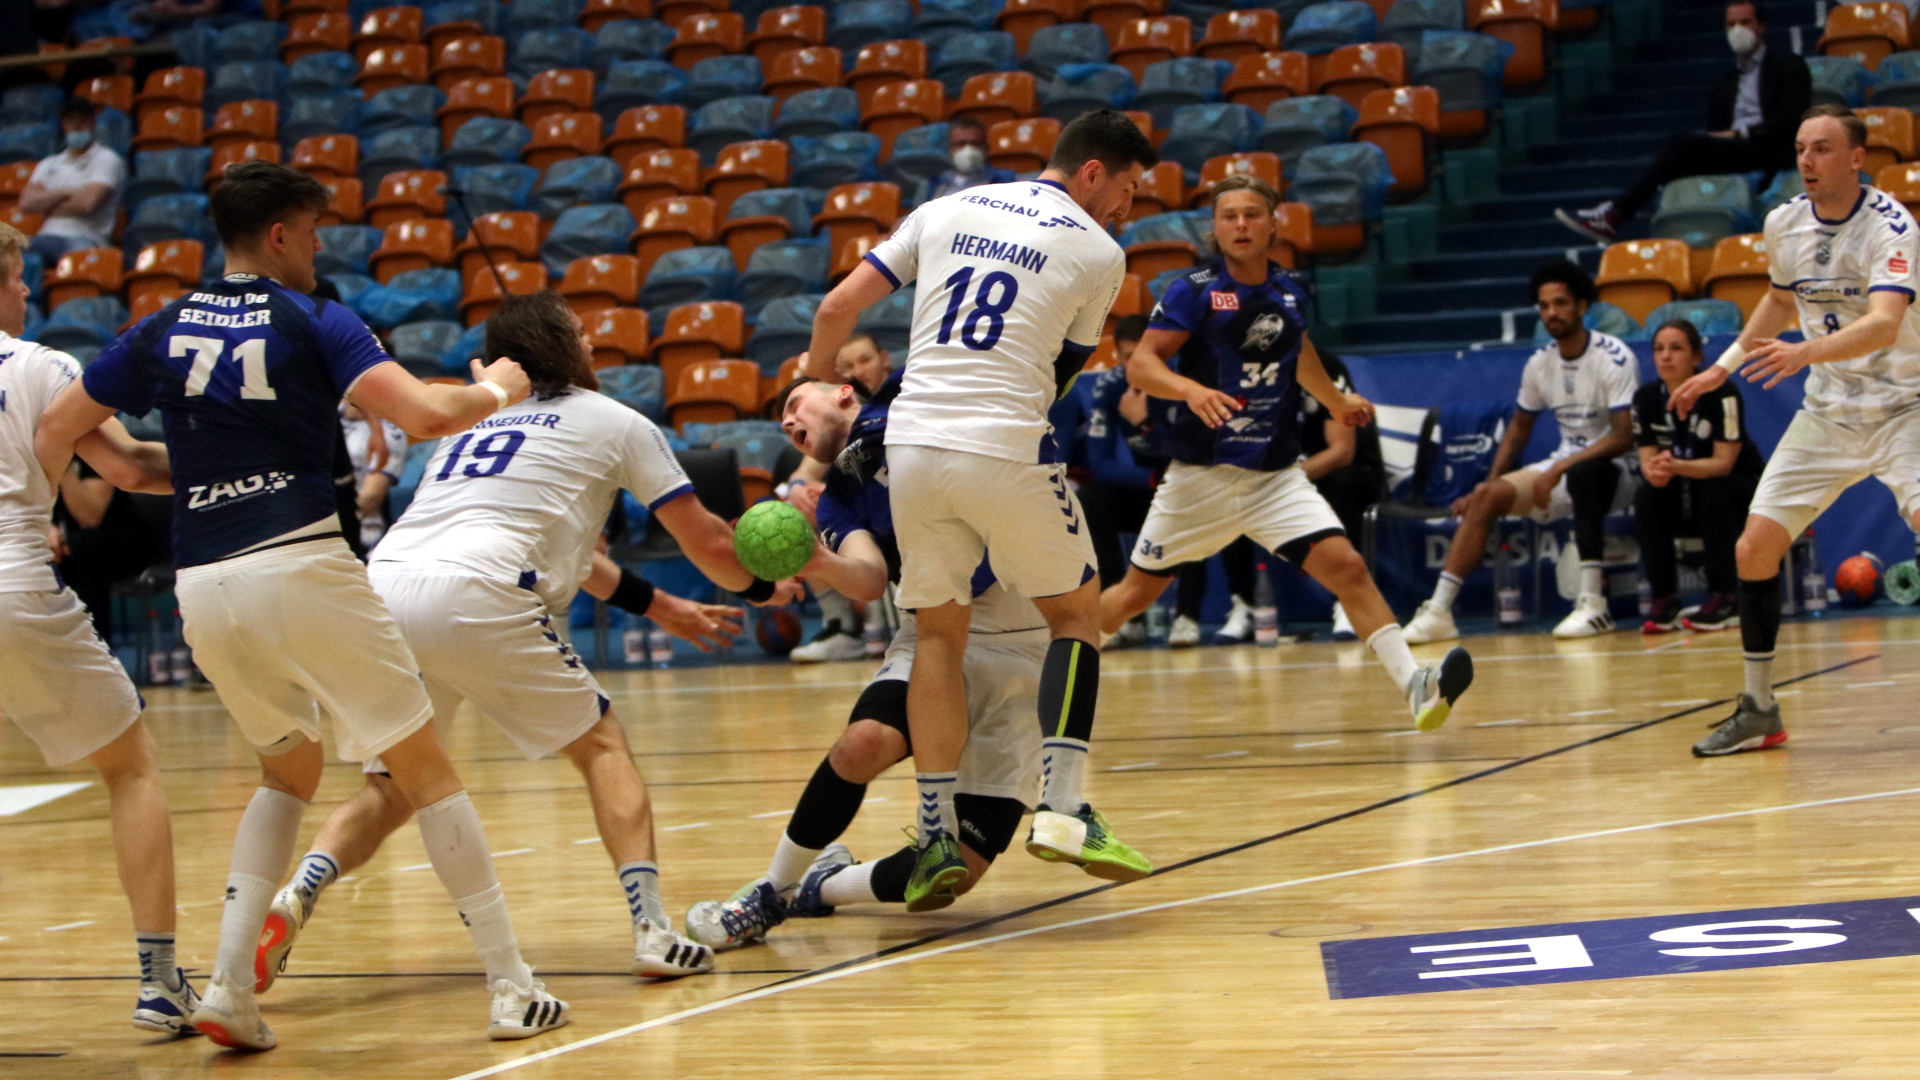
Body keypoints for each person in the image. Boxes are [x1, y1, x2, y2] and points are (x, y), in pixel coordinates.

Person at [34, 161, 567, 1051]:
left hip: (203, 586)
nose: (320, 247)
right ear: (279, 236)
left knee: (287, 771)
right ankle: (512, 987)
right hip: (302, 563)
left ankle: (228, 989)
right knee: (423, 769)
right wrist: (503, 388)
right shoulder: (314, 317)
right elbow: (430, 414)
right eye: (313, 232)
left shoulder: (161, 325)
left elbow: (70, 435)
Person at [254, 290, 796, 988]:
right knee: (601, 745)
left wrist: (660, 604)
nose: (593, 344)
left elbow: (573, 553)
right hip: (480, 591)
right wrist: (760, 588)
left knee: (392, 786)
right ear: (562, 347)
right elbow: (710, 539)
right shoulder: (616, 421)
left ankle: (296, 892)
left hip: (383, 589)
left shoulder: (476, 419)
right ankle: (653, 930)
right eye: (580, 332)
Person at [801, 108, 1158, 910]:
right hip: (1001, 441)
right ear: (1092, 173)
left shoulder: (944, 209)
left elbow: (833, 309)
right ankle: (1063, 809)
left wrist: (814, 381)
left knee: (936, 630)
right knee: (1077, 615)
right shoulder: (1101, 250)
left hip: (913, 447)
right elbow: (1059, 373)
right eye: (1127, 189)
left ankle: (933, 832)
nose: (1127, 209)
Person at [684, 370, 1121, 944]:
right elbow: (867, 580)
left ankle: (827, 885)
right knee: (864, 742)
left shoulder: (910, 406)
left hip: (1032, 641)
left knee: (959, 871)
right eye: (781, 421)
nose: (789, 421)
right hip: (936, 632)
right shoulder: (839, 503)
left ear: (844, 392)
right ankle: (772, 890)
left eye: (795, 403)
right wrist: (817, 561)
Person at [1096, 176, 1473, 731]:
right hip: (1203, 478)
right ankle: (1051, 655)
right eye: (1229, 216)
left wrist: (1337, 401)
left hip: (1274, 477)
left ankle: (1416, 684)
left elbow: (1299, 353)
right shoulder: (1192, 290)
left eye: (1252, 215)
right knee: (1131, 597)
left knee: (1347, 568)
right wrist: (1192, 391)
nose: (1241, 225)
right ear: (1216, 228)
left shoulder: (1291, 291)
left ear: (1274, 225)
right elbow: (1142, 365)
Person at [1675, 105, 1920, 756]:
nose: (1806, 161)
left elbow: (1885, 323)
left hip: (1905, 406)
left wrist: (1801, 354)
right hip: (1830, 412)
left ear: (1856, 158)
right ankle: (1758, 709)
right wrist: (1721, 369)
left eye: (1821, 149)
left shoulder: (1893, 227)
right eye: (1800, 149)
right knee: (1754, 549)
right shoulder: (1784, 222)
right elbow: (1781, 300)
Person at [0, 220, 194, 1037]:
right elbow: (128, 467)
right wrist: (245, 464)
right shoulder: (45, 367)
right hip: (10, 582)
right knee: (130, 763)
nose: (26, 292)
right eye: (17, 279)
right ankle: (158, 980)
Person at [1402, 260, 1641, 643]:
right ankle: (1439, 612)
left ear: (1582, 306)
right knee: (1485, 497)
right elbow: (1518, 428)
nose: (1551, 313)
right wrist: (1491, 483)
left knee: (1583, 475)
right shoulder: (1540, 363)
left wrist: (1559, 467)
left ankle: (1593, 604)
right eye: (1544, 306)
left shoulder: (1614, 357)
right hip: (1564, 466)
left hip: (1619, 471)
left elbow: (1622, 436)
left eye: (1560, 303)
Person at [1556, 1, 1809, 244]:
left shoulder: (1788, 66)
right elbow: (1715, 134)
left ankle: (1615, 214)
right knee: (1671, 172)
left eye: (1745, 22)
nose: (1737, 29)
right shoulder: (1724, 84)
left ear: (1761, 26)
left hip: (1772, 149)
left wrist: (1741, 134)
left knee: (1679, 144)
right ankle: (1654, 232)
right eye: (1731, 24)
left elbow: (1792, 121)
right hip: (1736, 155)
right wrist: (1729, 139)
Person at [1632, 318, 1764, 634]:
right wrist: (1657, 471)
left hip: (1737, 486)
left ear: (1696, 358)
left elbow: (1723, 463)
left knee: (1712, 489)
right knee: (1647, 495)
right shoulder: (1646, 399)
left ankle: (1724, 596)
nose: (1665, 356)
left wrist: (1674, 465)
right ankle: (1663, 597)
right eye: (1659, 349)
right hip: (1684, 486)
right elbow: (1648, 462)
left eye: (1676, 348)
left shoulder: (1722, 393)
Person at [790, 332, 892, 663]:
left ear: (884, 359)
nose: (858, 370)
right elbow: (802, 477)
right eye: (847, 365)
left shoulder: (910, 393)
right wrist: (800, 493)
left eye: (865, 360)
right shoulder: (833, 437)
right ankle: (843, 626)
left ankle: (881, 623)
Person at [1295, 349, 1385, 641]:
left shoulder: (1325, 365)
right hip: (1286, 471)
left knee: (1343, 483)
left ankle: (1348, 601)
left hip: (1343, 472)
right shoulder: (1246, 370)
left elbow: (1342, 453)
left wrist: (1288, 478)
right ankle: (1245, 602)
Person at [18, 97, 124, 263]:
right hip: (46, 236)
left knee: (78, 258)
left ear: (92, 123)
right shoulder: (49, 163)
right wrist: (66, 192)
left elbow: (87, 203)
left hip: (86, 238)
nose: (76, 125)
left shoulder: (107, 159)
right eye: (70, 120)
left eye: (82, 120)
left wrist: (47, 206)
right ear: (63, 125)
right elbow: (26, 204)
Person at [337, 400, 405, 551]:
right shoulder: (324, 416)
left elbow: (370, 498)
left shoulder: (390, 431)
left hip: (362, 539)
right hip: (319, 525)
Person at [914, 116, 1017, 204]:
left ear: (986, 148)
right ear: (950, 149)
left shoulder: (1009, 181)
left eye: (975, 144)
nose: (968, 150)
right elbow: (913, 220)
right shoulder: (931, 185)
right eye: (960, 144)